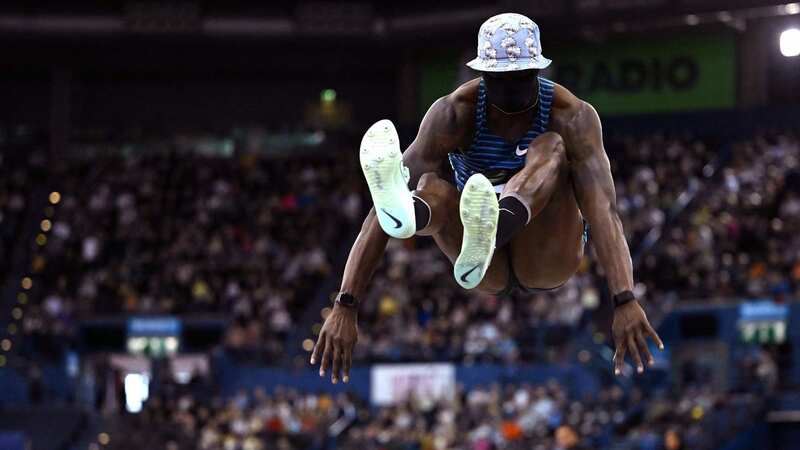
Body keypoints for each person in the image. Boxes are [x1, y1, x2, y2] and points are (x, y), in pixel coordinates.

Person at [311, 13, 663, 384]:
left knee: (551, 147)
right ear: (482, 76)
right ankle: (411, 213)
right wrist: (345, 303)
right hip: (479, 262)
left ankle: (495, 222)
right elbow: (376, 218)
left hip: (546, 257)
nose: (510, 94)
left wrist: (624, 297)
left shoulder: (571, 116)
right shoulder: (454, 113)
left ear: (538, 73)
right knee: (431, 184)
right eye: (501, 81)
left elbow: (603, 211)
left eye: (520, 80)